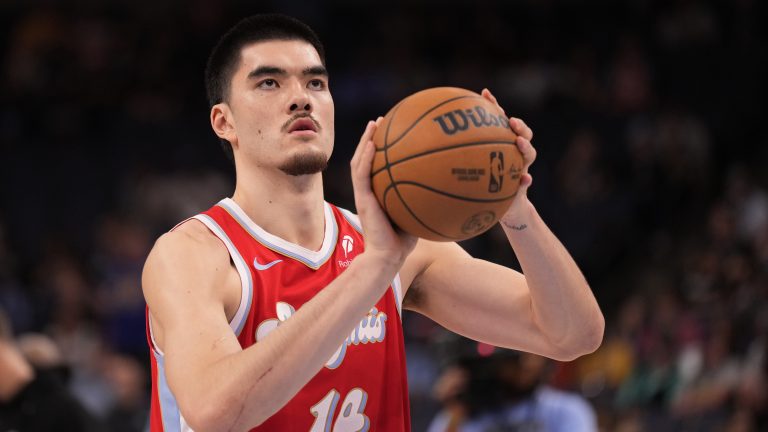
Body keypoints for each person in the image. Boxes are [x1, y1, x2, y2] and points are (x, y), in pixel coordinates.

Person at [141, 13, 605, 432]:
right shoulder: (193, 255)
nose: (300, 98)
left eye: (315, 83)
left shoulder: (394, 248)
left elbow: (573, 335)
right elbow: (216, 412)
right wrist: (374, 269)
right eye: (269, 84)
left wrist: (514, 206)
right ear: (224, 122)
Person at [428, 349, 598, 432]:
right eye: (515, 359)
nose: (525, 364)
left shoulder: (566, 409)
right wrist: (455, 412)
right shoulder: (470, 411)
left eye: (531, 354)